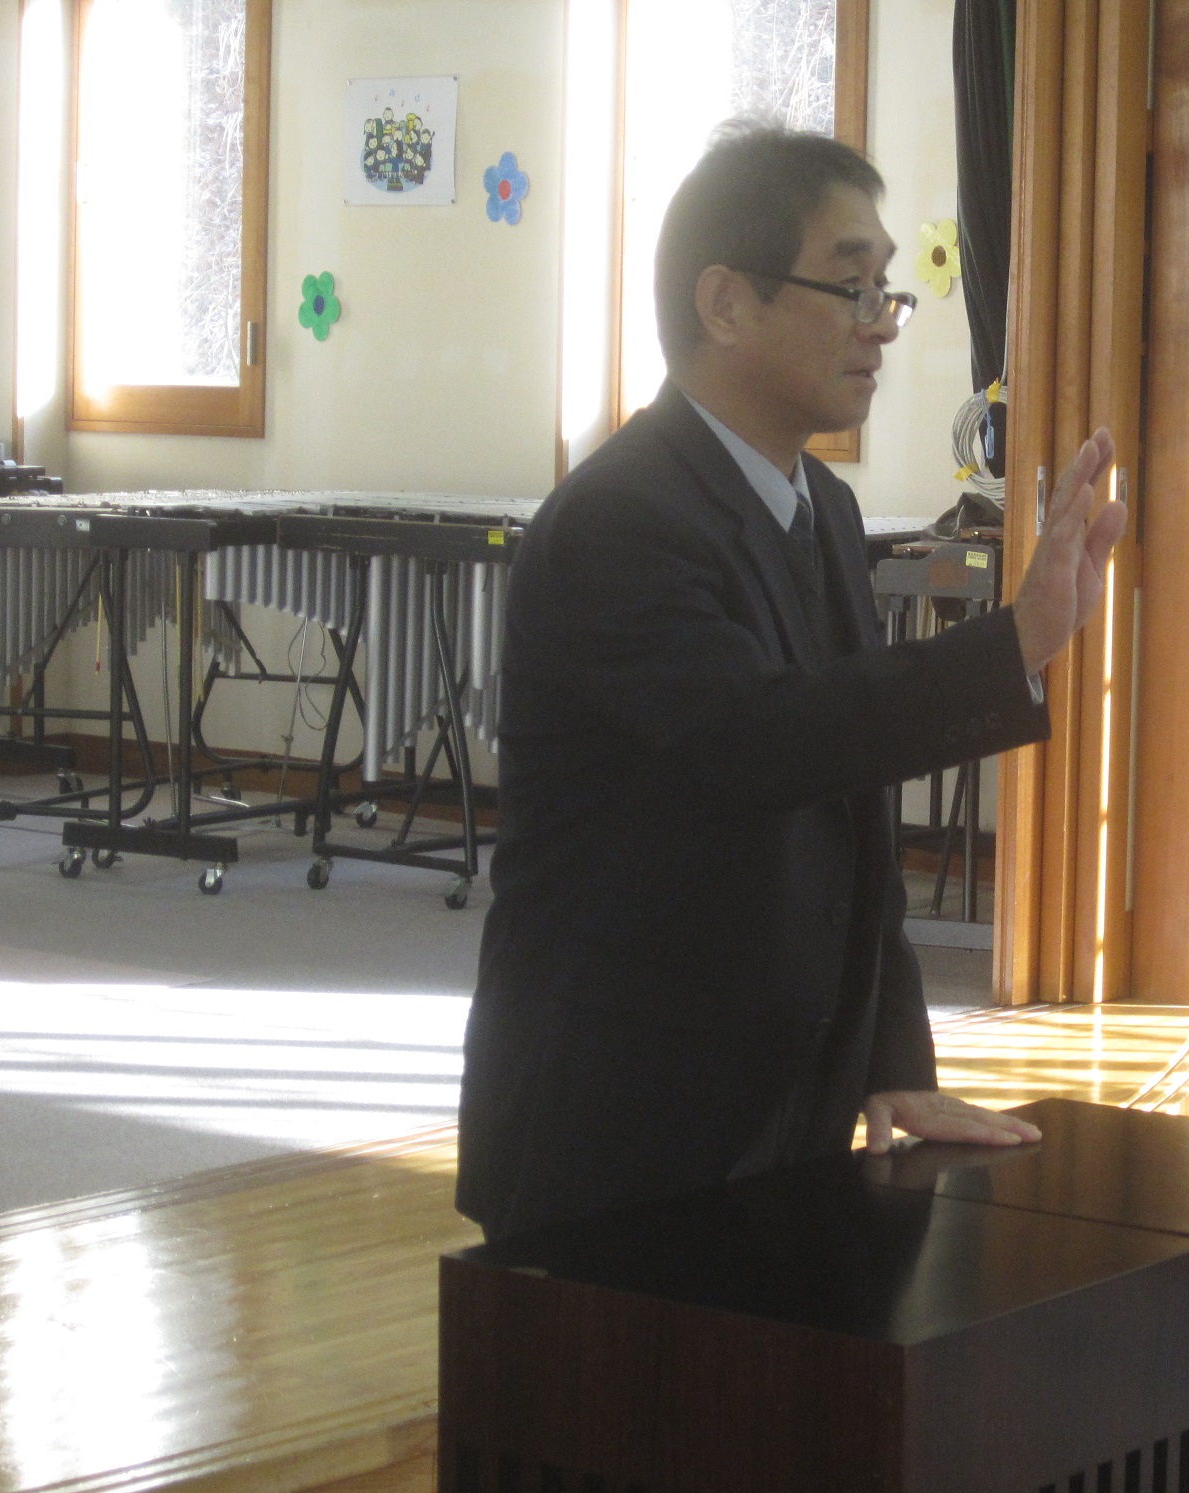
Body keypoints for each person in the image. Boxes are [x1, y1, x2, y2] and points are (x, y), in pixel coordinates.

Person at [455, 123, 1125, 1242]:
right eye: (850, 286)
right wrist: (1012, 644)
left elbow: (856, 822)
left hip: (784, 1116)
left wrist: (894, 1059)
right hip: (621, 1124)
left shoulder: (825, 508)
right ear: (726, 303)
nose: (882, 324)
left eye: (886, 291)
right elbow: (761, 743)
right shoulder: (619, 522)